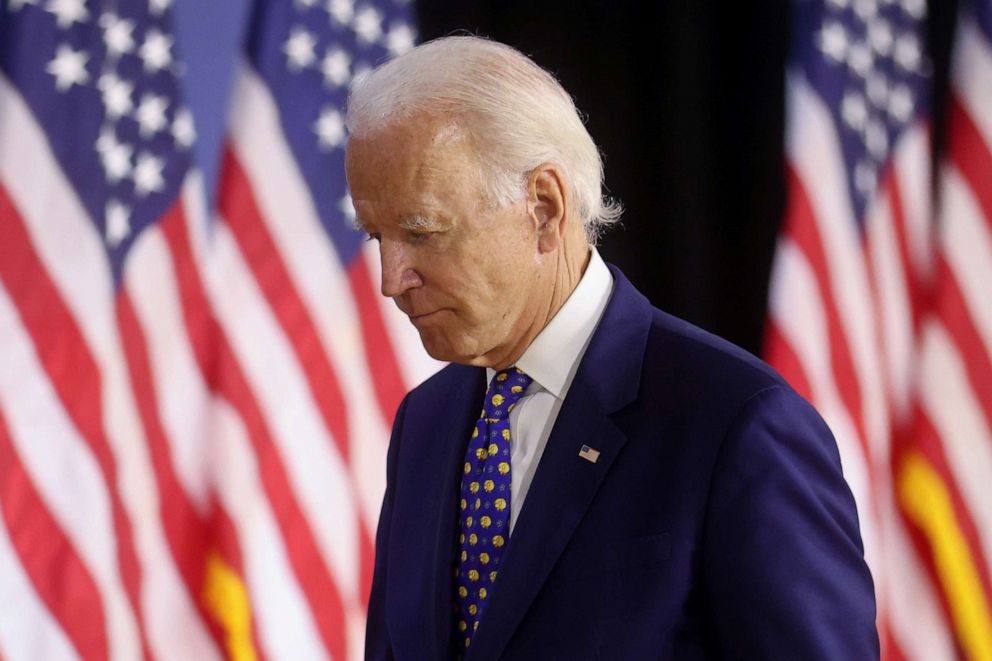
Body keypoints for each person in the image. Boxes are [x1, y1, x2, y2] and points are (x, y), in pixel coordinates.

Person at [345, 35, 878, 660]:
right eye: (378, 235)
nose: (390, 279)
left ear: (543, 208)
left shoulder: (735, 424)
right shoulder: (426, 424)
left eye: (421, 232)